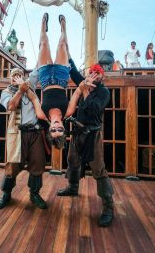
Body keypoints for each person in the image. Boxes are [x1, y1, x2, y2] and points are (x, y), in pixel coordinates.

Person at [57, 62, 114, 227]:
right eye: (91, 73)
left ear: (102, 76)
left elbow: (93, 110)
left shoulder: (103, 92)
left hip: (92, 135)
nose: (94, 76)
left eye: (97, 73)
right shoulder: (85, 83)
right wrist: (68, 58)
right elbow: (74, 73)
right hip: (78, 133)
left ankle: (108, 207)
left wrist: (84, 90)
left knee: (98, 169)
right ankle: (73, 187)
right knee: (72, 161)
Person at [0, 67, 47, 210]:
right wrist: (20, 90)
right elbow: (11, 106)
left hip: (35, 132)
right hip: (18, 133)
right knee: (12, 165)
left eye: (19, 75)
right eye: (14, 76)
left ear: (23, 77)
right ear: (10, 79)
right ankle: (6, 194)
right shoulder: (6, 92)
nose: (16, 77)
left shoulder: (29, 85)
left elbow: (37, 69)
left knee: (38, 163)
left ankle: (34, 193)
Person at [22, 13, 72, 149]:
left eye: (53, 130)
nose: (56, 127)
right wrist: (84, 85)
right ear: (63, 128)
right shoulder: (68, 112)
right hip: (61, 78)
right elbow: (78, 93)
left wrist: (23, 87)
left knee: (43, 45)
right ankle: (63, 28)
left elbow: (33, 98)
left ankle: (43, 26)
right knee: (62, 45)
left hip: (44, 78)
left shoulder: (41, 114)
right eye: (60, 130)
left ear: (49, 129)